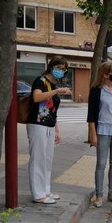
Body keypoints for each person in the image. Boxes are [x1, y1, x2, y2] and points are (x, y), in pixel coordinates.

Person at [26, 56, 72, 204]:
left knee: (47, 160)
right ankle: (38, 194)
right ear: (51, 66)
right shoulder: (41, 81)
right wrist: (57, 91)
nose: (61, 71)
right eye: (59, 68)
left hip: (49, 126)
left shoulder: (53, 85)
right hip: (37, 125)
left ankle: (45, 190)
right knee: (37, 159)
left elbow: (52, 110)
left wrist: (57, 130)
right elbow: (36, 97)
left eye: (64, 69)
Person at [87, 61, 112, 207]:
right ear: (105, 74)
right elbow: (91, 114)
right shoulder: (96, 90)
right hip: (103, 131)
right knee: (101, 164)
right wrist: (92, 134)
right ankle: (99, 195)